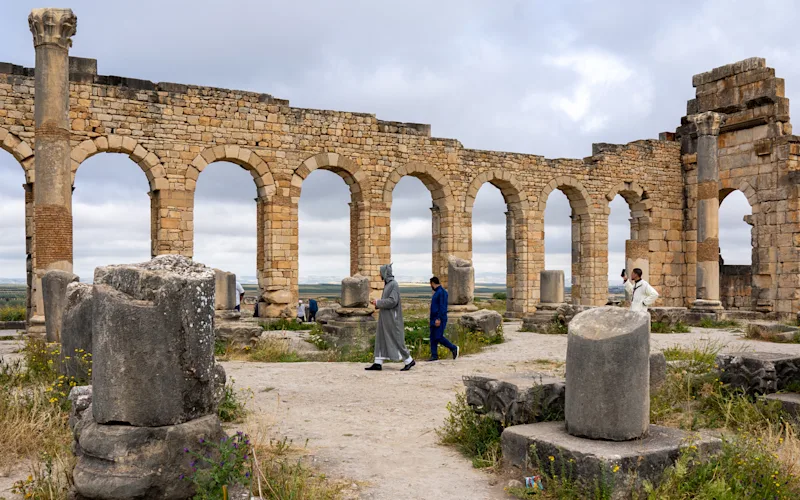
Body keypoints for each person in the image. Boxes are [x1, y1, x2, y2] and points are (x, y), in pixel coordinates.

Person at [365, 263, 415, 371]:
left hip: (392, 318)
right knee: (381, 337)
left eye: (381, 272)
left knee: (396, 338)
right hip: (385, 318)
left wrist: (378, 302)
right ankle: (378, 362)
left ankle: (409, 360)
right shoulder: (388, 285)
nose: (380, 275)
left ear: (385, 273)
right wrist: (377, 303)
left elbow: (393, 301)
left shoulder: (393, 285)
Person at [427, 276, 458, 361]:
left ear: (432, 283)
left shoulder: (442, 292)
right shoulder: (437, 292)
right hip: (433, 318)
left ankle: (453, 348)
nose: (431, 286)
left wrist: (439, 319)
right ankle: (434, 355)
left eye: (430, 284)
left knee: (438, 336)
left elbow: (442, 307)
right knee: (433, 337)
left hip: (439, 318)